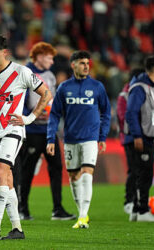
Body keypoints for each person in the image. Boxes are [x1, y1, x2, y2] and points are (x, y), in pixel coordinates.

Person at [0, 34, 52, 240]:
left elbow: (46, 94)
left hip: (13, 130)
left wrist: (29, 118)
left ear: (4, 53)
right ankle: (17, 229)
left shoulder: (21, 72)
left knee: (1, 171)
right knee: (5, 179)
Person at [46, 51, 111, 229]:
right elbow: (54, 115)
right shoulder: (64, 88)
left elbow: (106, 112)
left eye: (87, 63)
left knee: (87, 172)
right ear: (73, 65)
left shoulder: (97, 87)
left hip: (90, 138)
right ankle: (83, 212)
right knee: (73, 176)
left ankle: (82, 216)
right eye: (82, 63)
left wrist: (102, 136)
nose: (86, 66)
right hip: (70, 139)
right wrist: (50, 138)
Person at [14, 41, 76, 221]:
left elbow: (52, 100)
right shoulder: (25, 74)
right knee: (28, 170)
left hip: (48, 130)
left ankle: (58, 209)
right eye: (49, 57)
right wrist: (28, 118)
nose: (52, 61)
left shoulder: (49, 75)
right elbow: (21, 101)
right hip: (32, 130)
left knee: (56, 167)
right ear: (40, 57)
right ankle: (22, 208)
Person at [124, 56, 154, 222]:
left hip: (150, 137)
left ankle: (135, 212)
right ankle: (142, 210)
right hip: (142, 138)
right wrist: (137, 135)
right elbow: (130, 113)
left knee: (143, 174)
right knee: (144, 175)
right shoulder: (140, 88)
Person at [116, 68, 145, 215]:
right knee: (133, 171)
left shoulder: (143, 92)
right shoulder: (125, 95)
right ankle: (129, 201)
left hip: (144, 137)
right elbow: (123, 118)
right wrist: (136, 134)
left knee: (143, 172)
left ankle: (140, 201)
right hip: (130, 139)